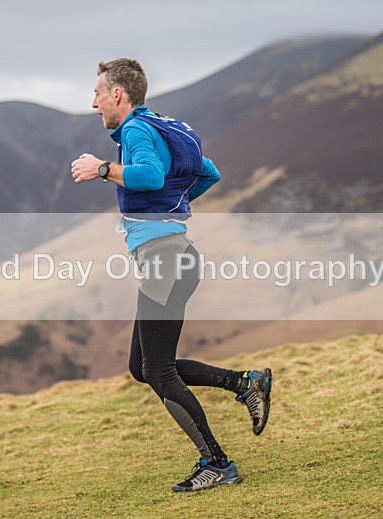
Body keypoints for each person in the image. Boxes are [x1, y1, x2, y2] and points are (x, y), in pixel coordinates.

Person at [71, 58, 271, 492]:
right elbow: (209, 172)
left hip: (166, 259)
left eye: (98, 93)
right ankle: (244, 383)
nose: (94, 103)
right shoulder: (162, 126)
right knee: (141, 367)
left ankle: (216, 462)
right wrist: (171, 202)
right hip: (172, 256)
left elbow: (149, 174)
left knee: (159, 371)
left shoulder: (136, 131)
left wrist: (102, 169)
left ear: (118, 95)